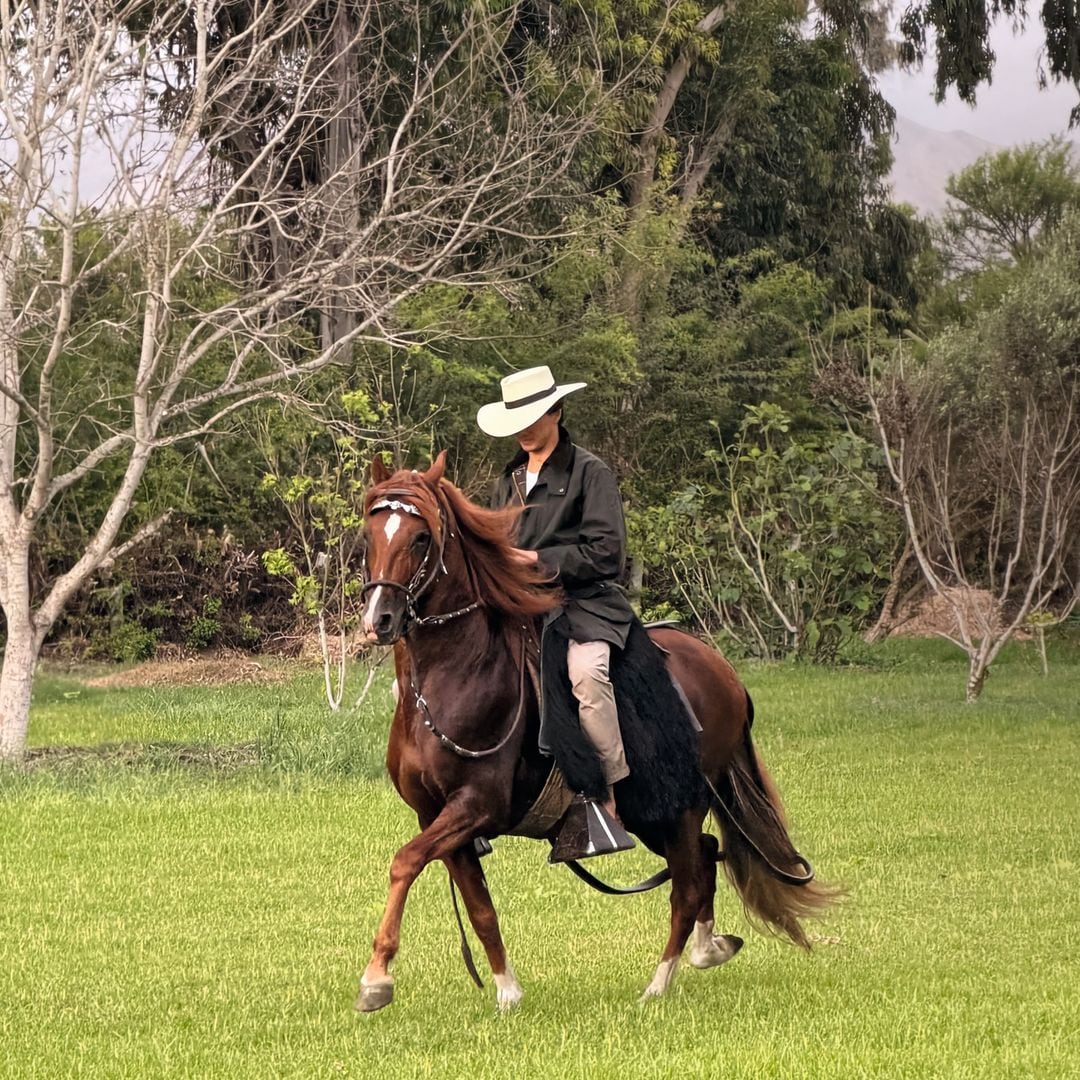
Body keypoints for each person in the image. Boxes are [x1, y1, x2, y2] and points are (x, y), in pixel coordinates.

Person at [478, 365, 635, 828]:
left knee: (587, 675)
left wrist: (537, 559)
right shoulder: (505, 482)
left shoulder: (591, 472)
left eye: (534, 416)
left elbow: (608, 553)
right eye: (517, 421)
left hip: (583, 604)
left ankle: (606, 796)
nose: (525, 430)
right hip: (519, 607)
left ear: (556, 411)